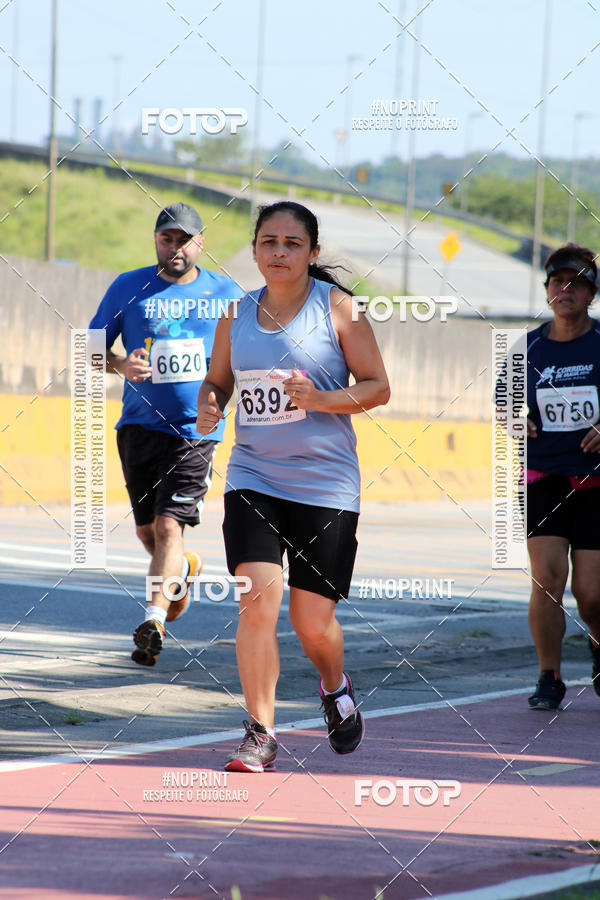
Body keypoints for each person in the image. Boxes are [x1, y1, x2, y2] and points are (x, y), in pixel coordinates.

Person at [196, 200, 390, 771]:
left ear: (311, 252)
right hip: (253, 477)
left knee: (312, 623)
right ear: (255, 249)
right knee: (256, 599)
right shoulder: (237, 312)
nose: (279, 252)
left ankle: (334, 686)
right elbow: (218, 379)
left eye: (292, 243)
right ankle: (260, 732)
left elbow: (378, 387)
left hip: (326, 486)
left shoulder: (338, 309)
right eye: (269, 242)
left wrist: (321, 399)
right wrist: (212, 402)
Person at [89, 202, 242, 666]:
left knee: (169, 524)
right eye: (166, 238)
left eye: (184, 239)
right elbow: (87, 348)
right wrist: (117, 363)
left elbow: (255, 348)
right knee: (147, 531)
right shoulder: (128, 287)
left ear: (200, 242)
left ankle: (152, 620)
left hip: (196, 430)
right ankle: (183, 572)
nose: (175, 247)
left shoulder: (226, 292)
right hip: (138, 427)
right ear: (156, 240)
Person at [525, 243, 600, 710]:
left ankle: (597, 644)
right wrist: (514, 417)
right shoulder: (528, 346)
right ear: (548, 289)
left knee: (591, 594)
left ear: (591, 293)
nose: (565, 290)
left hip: (595, 483)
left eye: (576, 283)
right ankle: (549, 677)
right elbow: (504, 404)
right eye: (558, 282)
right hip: (544, 479)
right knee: (547, 580)